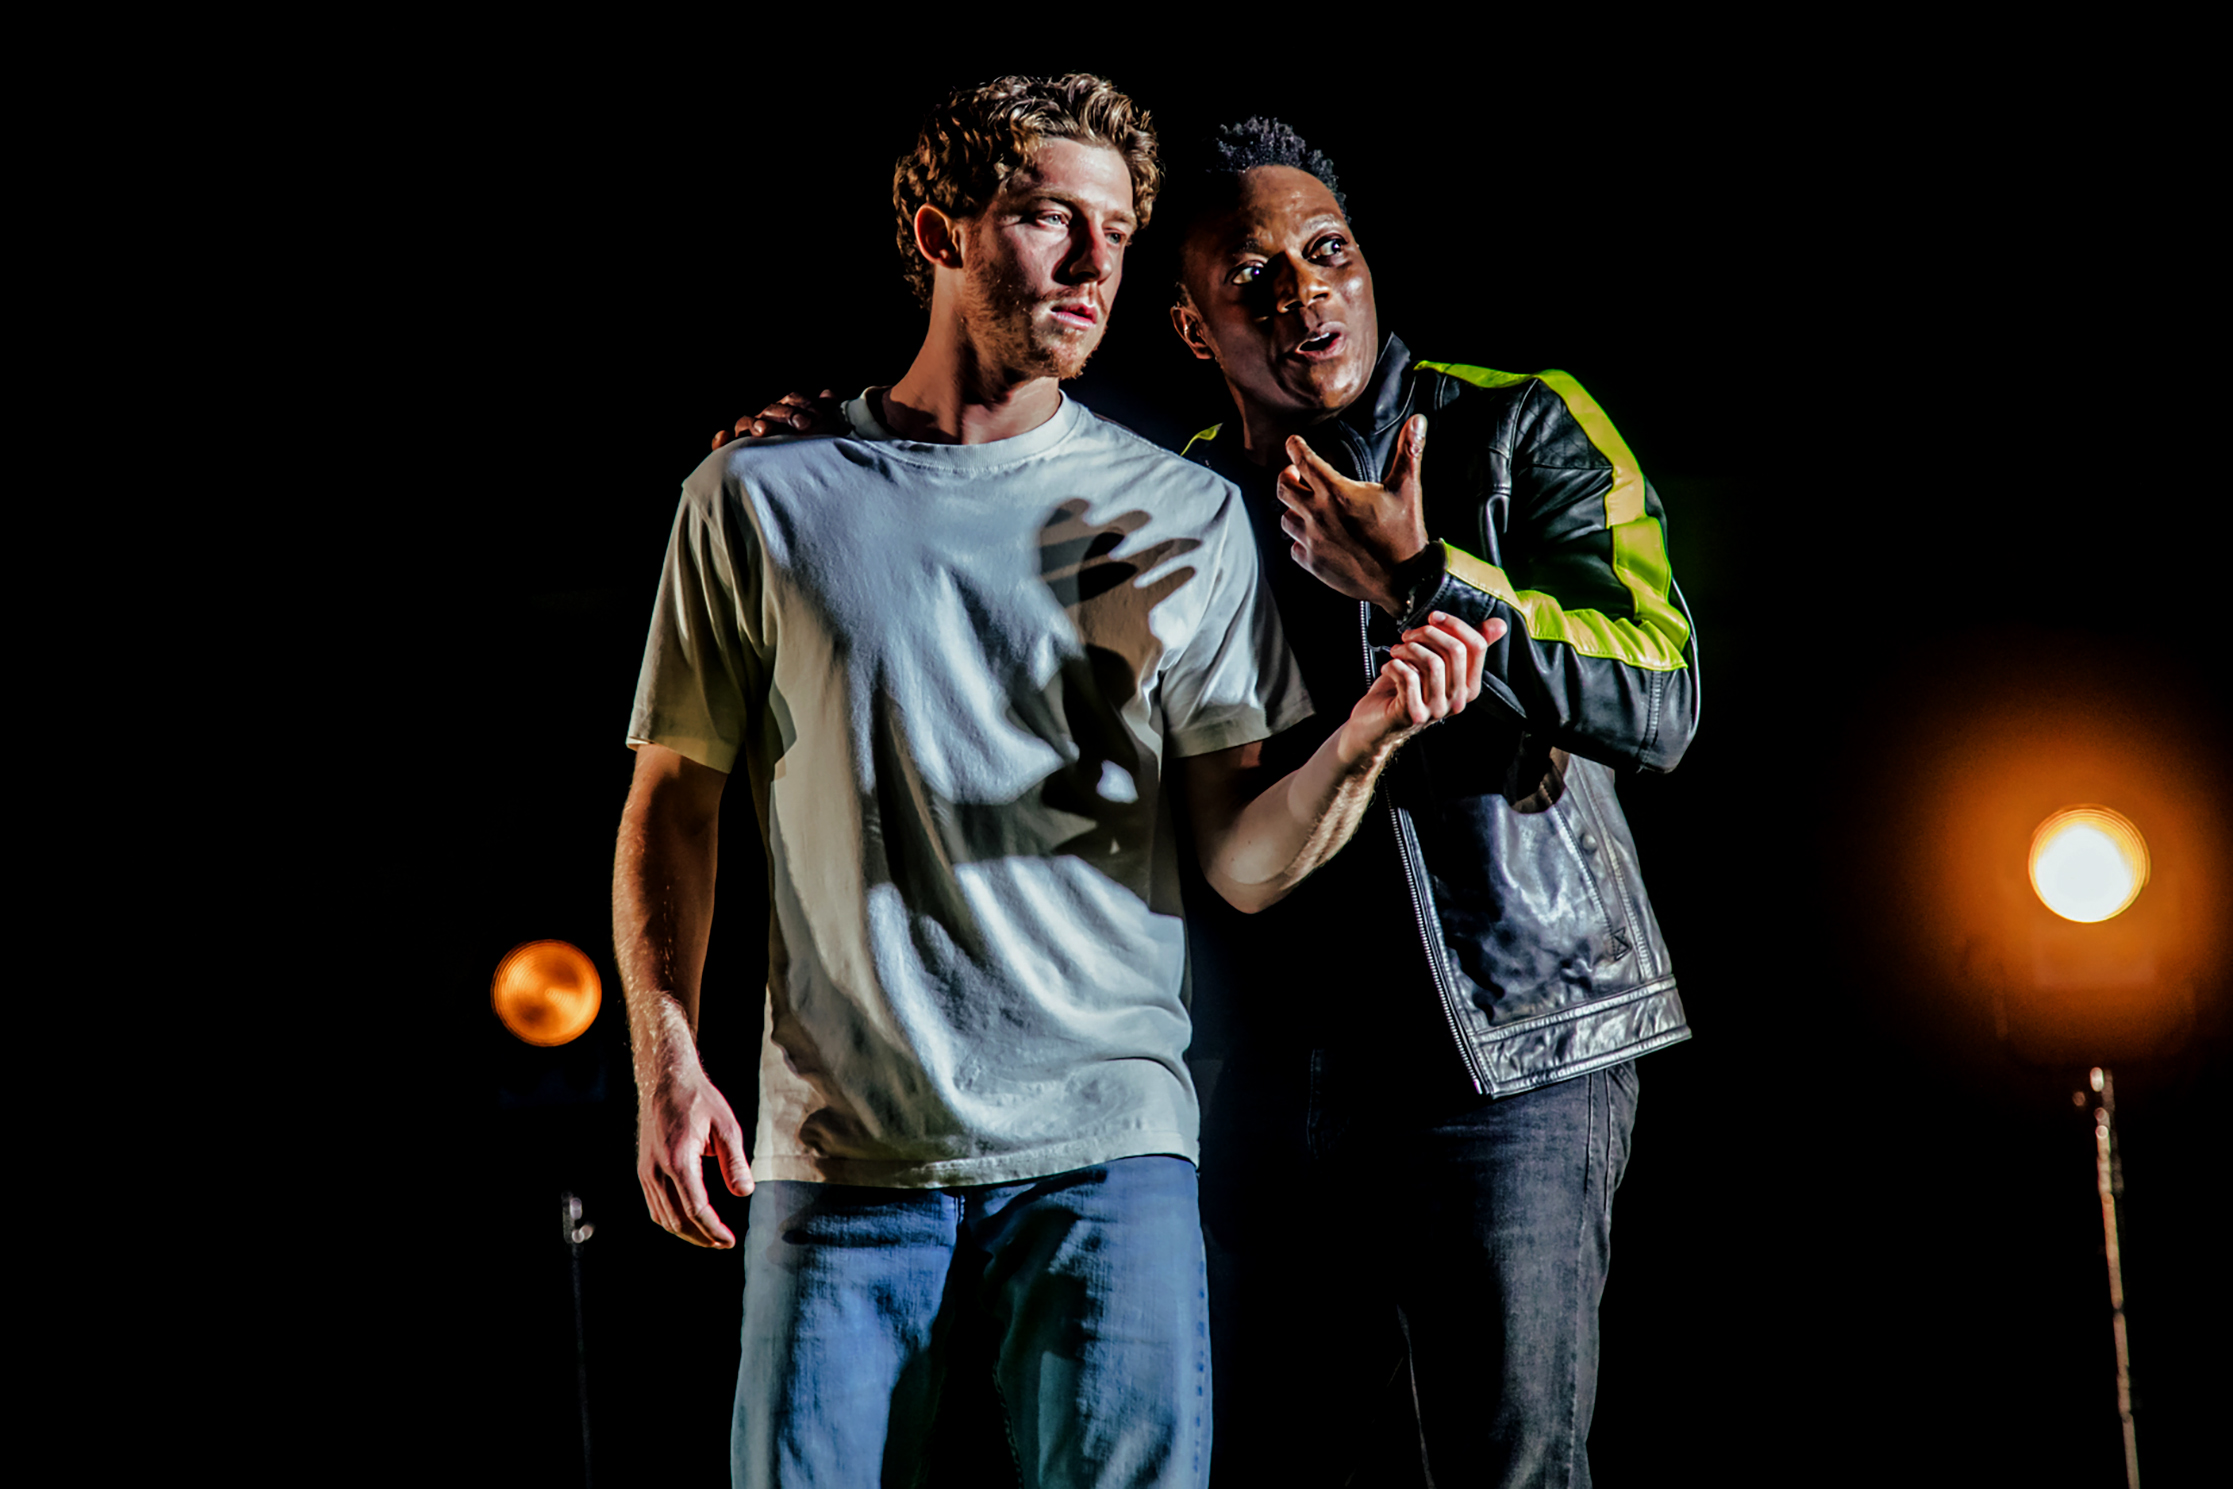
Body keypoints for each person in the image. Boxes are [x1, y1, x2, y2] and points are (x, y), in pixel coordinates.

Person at [737, 115, 1698, 1488]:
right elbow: (945, 505)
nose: (1305, 296)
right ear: (1191, 326)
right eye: (1254, 277)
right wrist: (802, 447)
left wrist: (1427, 580)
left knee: (1510, 1463)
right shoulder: (1167, 497)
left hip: (1507, 1058)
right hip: (1260, 1081)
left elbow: (1660, 692)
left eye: (1329, 254)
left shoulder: (1514, 420)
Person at [615, 79, 1498, 1489]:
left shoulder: (1187, 514)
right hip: (840, 1160)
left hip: (1107, 1153)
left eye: (1115, 230)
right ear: (940, 232)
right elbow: (673, 801)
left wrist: (1369, 733)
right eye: (1046, 220)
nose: (1093, 265)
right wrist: (667, 1063)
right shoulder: (758, 494)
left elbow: (1240, 861)